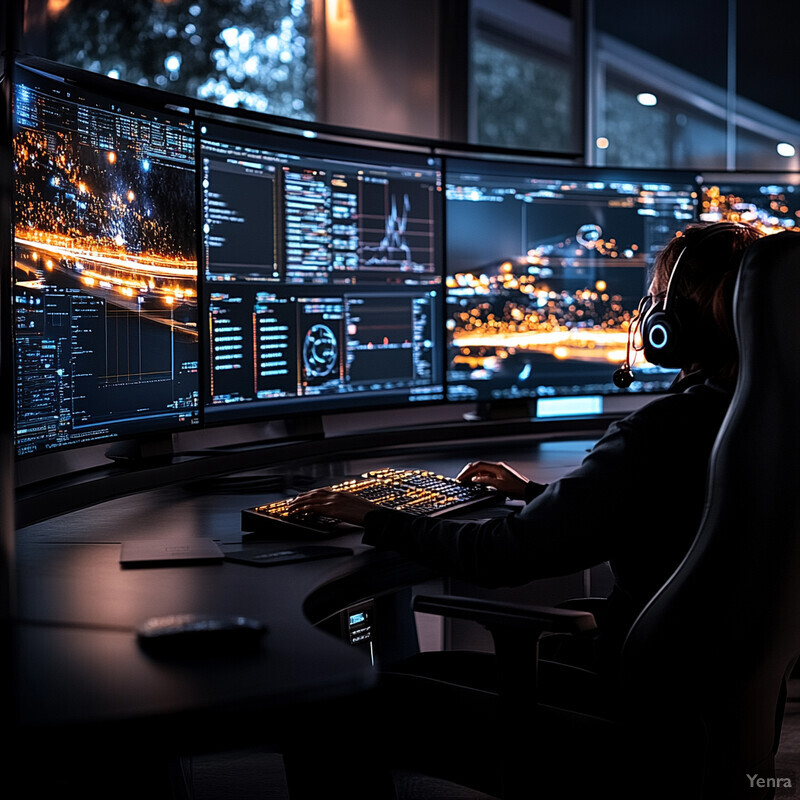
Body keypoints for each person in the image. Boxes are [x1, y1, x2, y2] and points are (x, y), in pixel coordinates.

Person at [280, 220, 763, 798]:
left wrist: (372, 514)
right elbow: (668, 521)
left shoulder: (659, 434)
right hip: (708, 721)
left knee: (337, 700)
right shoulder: (765, 423)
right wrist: (539, 497)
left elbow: (501, 556)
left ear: (672, 328)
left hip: (633, 725)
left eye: (656, 301)